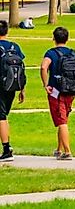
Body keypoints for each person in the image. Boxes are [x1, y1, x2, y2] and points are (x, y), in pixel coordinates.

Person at [40, 27, 75, 160]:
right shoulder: (74, 54)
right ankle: (59, 149)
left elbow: (43, 67)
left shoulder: (51, 53)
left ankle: (67, 152)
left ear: (53, 38)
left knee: (61, 121)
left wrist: (46, 85)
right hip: (71, 91)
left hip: (56, 91)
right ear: (67, 39)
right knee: (63, 119)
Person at [0, 20, 26, 161]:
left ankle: (6, 149)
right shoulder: (14, 46)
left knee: (1, 117)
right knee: (3, 116)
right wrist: (22, 89)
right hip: (12, 86)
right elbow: (21, 69)